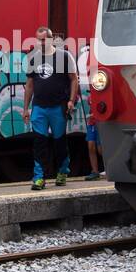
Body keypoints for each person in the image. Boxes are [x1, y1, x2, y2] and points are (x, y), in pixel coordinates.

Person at [22, 26, 78, 191]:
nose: (41, 42)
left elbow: (74, 80)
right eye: (38, 39)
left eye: (44, 39)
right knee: (39, 142)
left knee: (59, 142)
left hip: (58, 107)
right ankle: (39, 178)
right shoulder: (33, 59)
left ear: (52, 39)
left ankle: (62, 171)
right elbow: (30, 85)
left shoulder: (64, 57)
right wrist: (26, 109)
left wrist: (71, 101)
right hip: (39, 108)